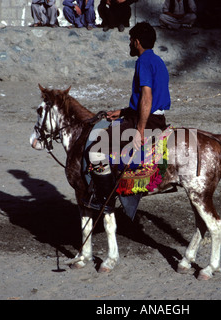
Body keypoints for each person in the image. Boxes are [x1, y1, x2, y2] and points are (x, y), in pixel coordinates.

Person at [85, 22, 171, 213]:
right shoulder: (158, 61)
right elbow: (148, 99)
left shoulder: (143, 62)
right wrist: (123, 112)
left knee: (96, 148)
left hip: (146, 121)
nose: (130, 44)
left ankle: (105, 201)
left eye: (131, 40)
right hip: (155, 117)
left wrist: (139, 131)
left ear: (137, 42)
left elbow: (147, 96)